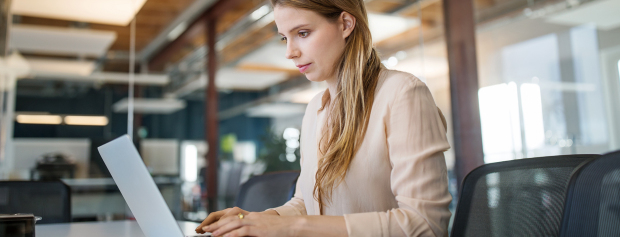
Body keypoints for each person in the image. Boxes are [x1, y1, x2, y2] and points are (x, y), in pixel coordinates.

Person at [195, 0, 452, 236]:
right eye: (285, 38)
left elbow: (425, 224)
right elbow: (307, 202)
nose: (290, 52)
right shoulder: (316, 109)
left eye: (303, 33)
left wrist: (291, 227)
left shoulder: (402, 93)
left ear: (345, 24)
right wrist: (253, 220)